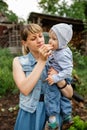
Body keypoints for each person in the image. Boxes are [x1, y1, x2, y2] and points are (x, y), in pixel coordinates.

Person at [13, 23, 73, 130]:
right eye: (33, 38)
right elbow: (25, 89)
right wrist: (41, 61)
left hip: (52, 114)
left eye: (40, 36)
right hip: (30, 112)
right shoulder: (19, 61)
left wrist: (58, 79)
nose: (39, 40)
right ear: (25, 43)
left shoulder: (57, 59)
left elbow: (69, 94)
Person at [44, 23, 74, 130]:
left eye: (54, 39)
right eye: (50, 38)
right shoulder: (58, 50)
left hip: (58, 76)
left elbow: (68, 70)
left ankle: (53, 122)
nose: (50, 41)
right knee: (63, 98)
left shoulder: (63, 53)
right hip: (59, 76)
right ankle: (67, 116)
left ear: (62, 41)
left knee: (52, 97)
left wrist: (55, 78)